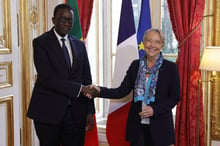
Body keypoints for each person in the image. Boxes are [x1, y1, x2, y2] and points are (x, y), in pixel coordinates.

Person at [86, 28, 180, 146]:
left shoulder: (170, 68)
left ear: (162, 45)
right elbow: (121, 91)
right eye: (149, 41)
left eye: (157, 42)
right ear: (144, 43)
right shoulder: (136, 65)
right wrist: (99, 91)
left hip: (160, 127)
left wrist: (155, 110)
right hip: (137, 127)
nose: (152, 45)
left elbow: (175, 97)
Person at [27, 3, 95, 146]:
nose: (66, 23)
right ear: (54, 20)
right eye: (62, 19)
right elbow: (47, 78)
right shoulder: (41, 43)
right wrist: (79, 89)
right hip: (48, 114)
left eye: (70, 20)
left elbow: (87, 78)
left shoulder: (79, 45)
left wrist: (90, 111)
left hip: (76, 114)